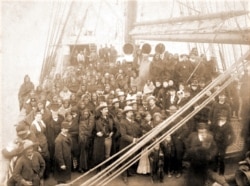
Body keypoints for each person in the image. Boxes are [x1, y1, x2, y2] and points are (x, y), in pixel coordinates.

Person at [119, 106, 142, 183]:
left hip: (132, 144)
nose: (132, 113)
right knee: (124, 159)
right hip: (125, 144)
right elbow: (124, 135)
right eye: (130, 112)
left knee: (130, 157)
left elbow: (137, 131)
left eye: (132, 112)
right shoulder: (122, 122)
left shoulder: (133, 121)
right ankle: (124, 175)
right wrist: (134, 139)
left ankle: (129, 172)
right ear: (126, 114)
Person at [92, 102, 114, 168]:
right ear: (101, 110)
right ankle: (98, 169)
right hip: (99, 139)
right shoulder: (96, 119)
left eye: (107, 109)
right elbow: (92, 129)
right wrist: (96, 133)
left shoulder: (110, 118)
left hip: (108, 138)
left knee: (107, 155)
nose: (107, 111)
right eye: (105, 109)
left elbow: (114, 127)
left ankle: (107, 169)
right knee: (99, 154)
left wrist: (112, 132)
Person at [78, 108, 95, 173]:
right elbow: (81, 131)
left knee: (88, 153)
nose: (86, 115)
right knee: (83, 154)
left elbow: (90, 129)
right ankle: (82, 167)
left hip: (88, 138)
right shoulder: (81, 121)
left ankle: (86, 166)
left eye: (87, 114)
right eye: (85, 114)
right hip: (83, 139)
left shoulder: (90, 120)